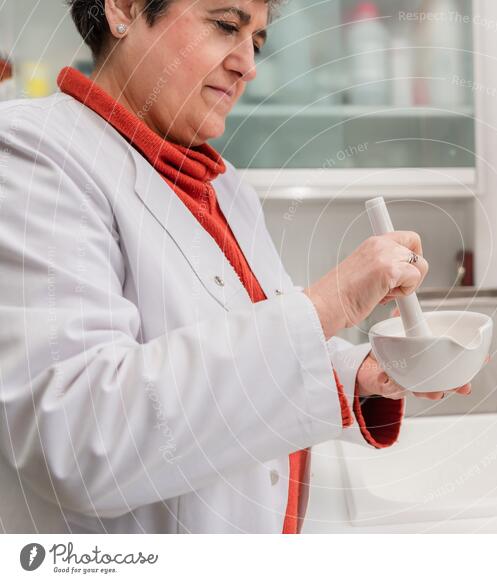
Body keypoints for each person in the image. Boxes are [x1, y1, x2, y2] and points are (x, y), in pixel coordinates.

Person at [0, 0, 470, 534]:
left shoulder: (221, 188)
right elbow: (82, 437)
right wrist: (333, 302)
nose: (248, 64)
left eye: (258, 43)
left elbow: (264, 349)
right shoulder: (34, 158)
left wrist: (363, 374)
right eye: (226, 26)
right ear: (125, 9)